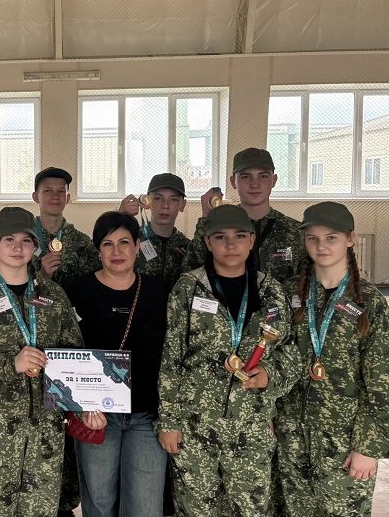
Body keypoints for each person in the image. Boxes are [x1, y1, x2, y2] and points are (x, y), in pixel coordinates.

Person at [157, 205, 301, 515]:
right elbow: (171, 358)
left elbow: (290, 353)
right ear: (207, 242)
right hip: (195, 427)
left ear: (252, 241)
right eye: (220, 237)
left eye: (239, 236)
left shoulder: (271, 291)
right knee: (196, 510)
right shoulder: (188, 288)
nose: (231, 245)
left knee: (250, 510)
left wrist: (270, 375)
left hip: (252, 427)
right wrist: (169, 422)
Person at [0, 207, 84, 516]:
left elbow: (75, 353)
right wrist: (11, 364)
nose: (17, 247)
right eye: (9, 239)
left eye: (26, 240)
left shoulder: (54, 296)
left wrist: (86, 406)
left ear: (35, 246)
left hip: (45, 434)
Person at [275, 202, 389, 516]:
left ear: (351, 239)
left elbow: (382, 381)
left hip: (344, 440)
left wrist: (368, 446)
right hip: (291, 435)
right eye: (313, 238)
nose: (321, 246)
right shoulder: (288, 293)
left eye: (331, 238)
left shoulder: (369, 302)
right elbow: (274, 357)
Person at [64, 211, 168, 516]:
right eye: (107, 244)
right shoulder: (76, 292)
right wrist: (82, 407)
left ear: (137, 245)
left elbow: (173, 355)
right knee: (99, 503)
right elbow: (66, 354)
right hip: (96, 415)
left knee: (145, 506)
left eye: (124, 242)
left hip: (147, 416)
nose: (117, 251)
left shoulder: (159, 292)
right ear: (98, 250)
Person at [31, 166, 100, 515]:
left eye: (61, 191)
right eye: (48, 190)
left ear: (69, 197)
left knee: (69, 425)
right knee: (37, 425)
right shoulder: (22, 237)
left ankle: (65, 503)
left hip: (71, 344)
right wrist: (39, 273)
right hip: (32, 344)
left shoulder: (82, 243)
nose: (55, 196)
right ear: (36, 196)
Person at [183, 148, 304, 280]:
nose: (254, 184)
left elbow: (307, 281)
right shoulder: (220, 228)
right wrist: (207, 220)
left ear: (274, 180)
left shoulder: (294, 231)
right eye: (245, 176)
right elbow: (192, 271)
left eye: (263, 176)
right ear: (233, 181)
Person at [118, 172, 190, 292]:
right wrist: (118, 219)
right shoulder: (131, 240)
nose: (165, 205)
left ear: (182, 205)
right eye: (157, 198)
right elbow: (94, 259)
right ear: (146, 202)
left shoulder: (187, 248)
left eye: (173, 199)